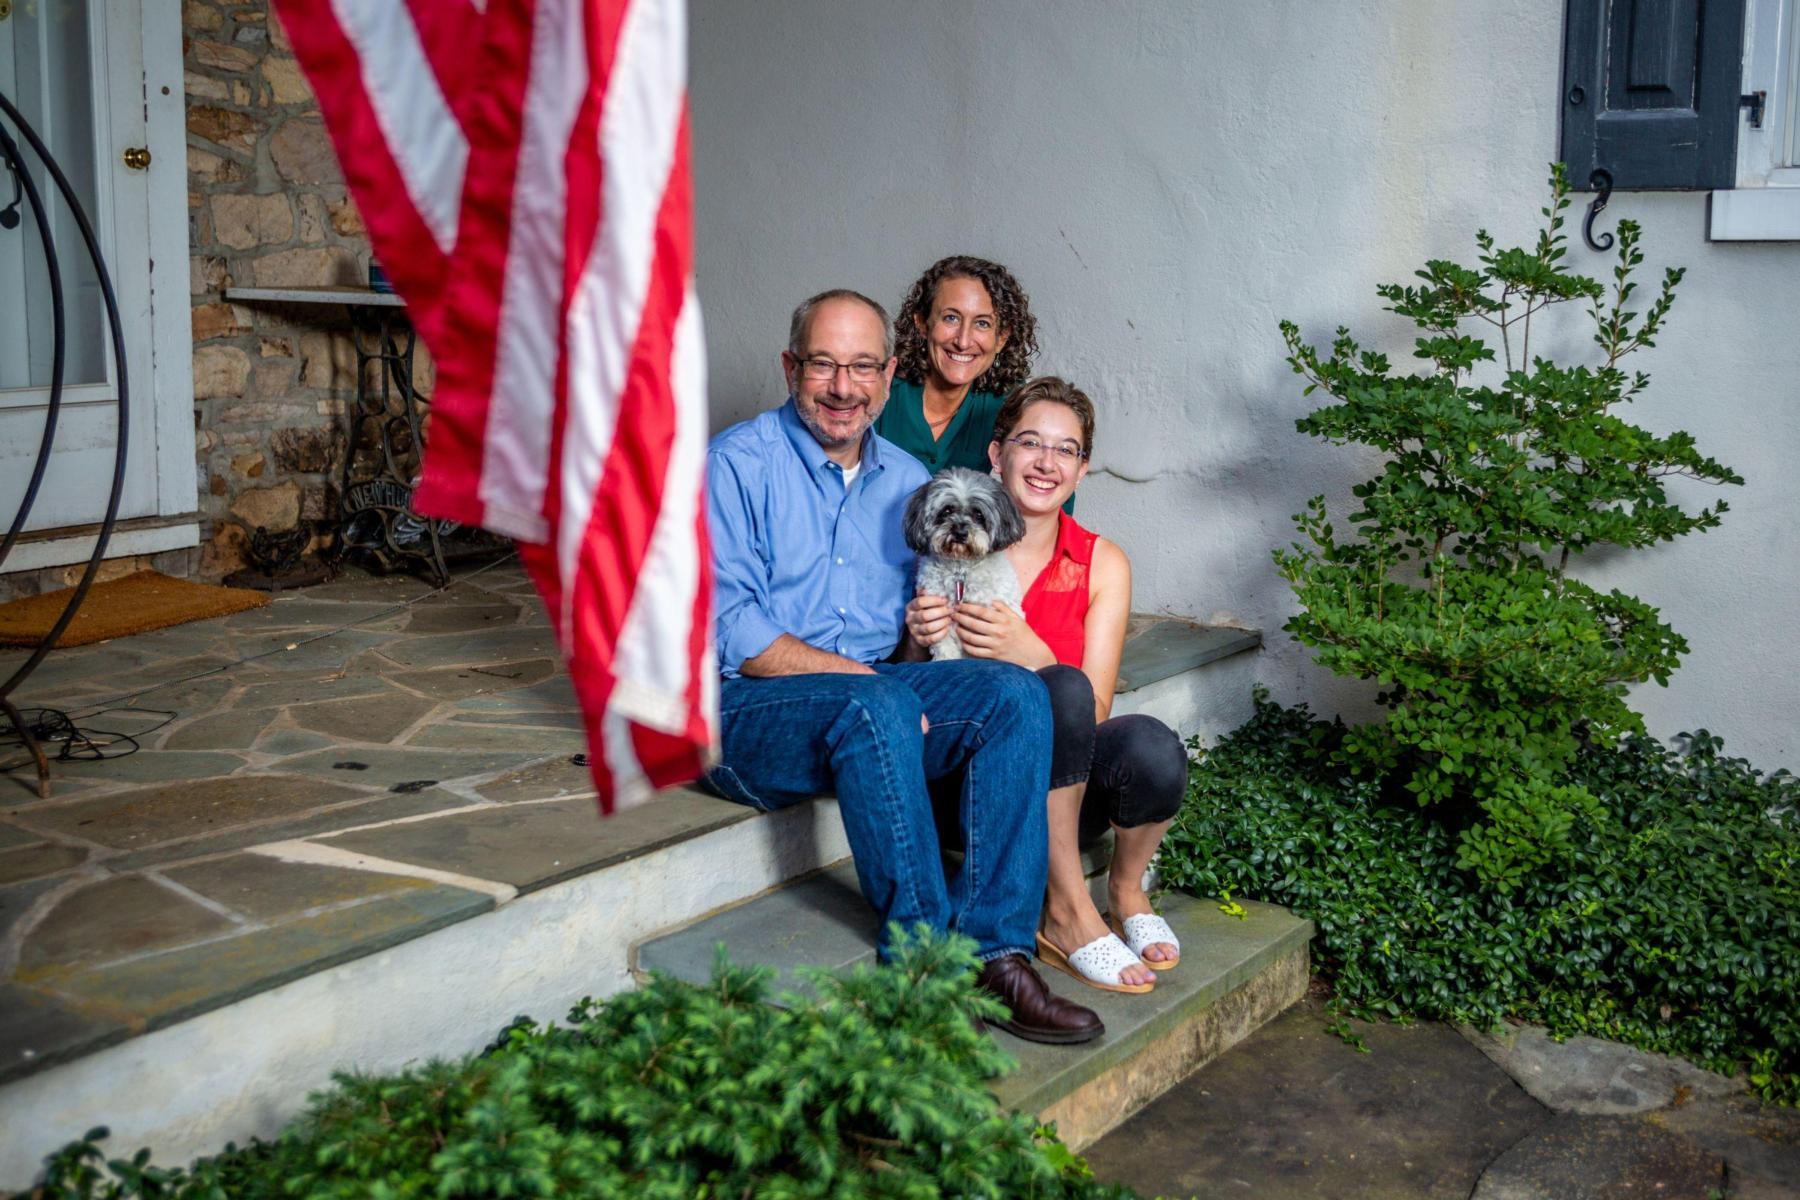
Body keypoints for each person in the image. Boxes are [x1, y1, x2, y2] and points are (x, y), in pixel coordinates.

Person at [704, 290, 1104, 1044]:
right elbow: (739, 637)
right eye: (823, 364)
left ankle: (998, 953)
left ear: (889, 375)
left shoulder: (905, 480)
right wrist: (873, 684)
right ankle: (923, 964)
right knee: (879, 703)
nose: (844, 387)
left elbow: (907, 641)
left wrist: (920, 647)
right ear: (791, 368)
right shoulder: (734, 465)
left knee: (1016, 694)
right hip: (749, 707)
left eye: (863, 366)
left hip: (874, 699)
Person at [905, 377, 1188, 994]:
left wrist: (1031, 653)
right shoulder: (947, 551)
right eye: (1030, 442)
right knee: (1055, 689)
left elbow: (1097, 708)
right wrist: (916, 636)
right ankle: (1065, 910)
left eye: (1065, 449)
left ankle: (1125, 891)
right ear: (997, 452)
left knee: (1149, 745)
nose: (1045, 462)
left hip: (1066, 787)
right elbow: (914, 683)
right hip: (972, 792)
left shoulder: (1101, 562)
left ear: (1082, 469)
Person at [875, 255, 1039, 477]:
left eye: (982, 323)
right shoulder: (880, 386)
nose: (963, 341)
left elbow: (1052, 477)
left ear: (1001, 338)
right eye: (951, 318)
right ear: (922, 323)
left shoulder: (1010, 404)